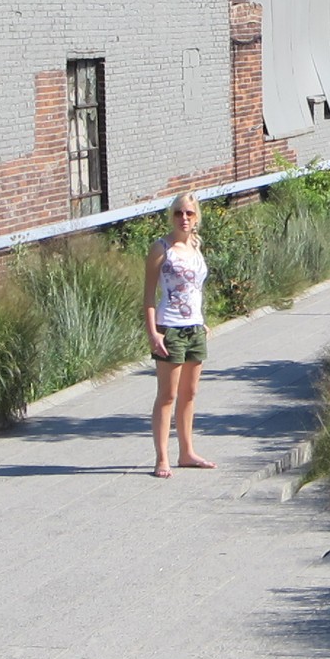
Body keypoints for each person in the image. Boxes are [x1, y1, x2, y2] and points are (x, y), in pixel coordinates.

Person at [144, 192, 216, 478]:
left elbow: (194, 290)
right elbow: (149, 295)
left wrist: (201, 321)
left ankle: (187, 452)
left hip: (194, 328)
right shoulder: (161, 248)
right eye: (178, 213)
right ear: (171, 216)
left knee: (189, 393)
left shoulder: (196, 246)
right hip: (169, 328)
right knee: (168, 394)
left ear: (196, 217)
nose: (183, 218)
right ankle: (162, 458)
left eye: (189, 213)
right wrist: (153, 333)